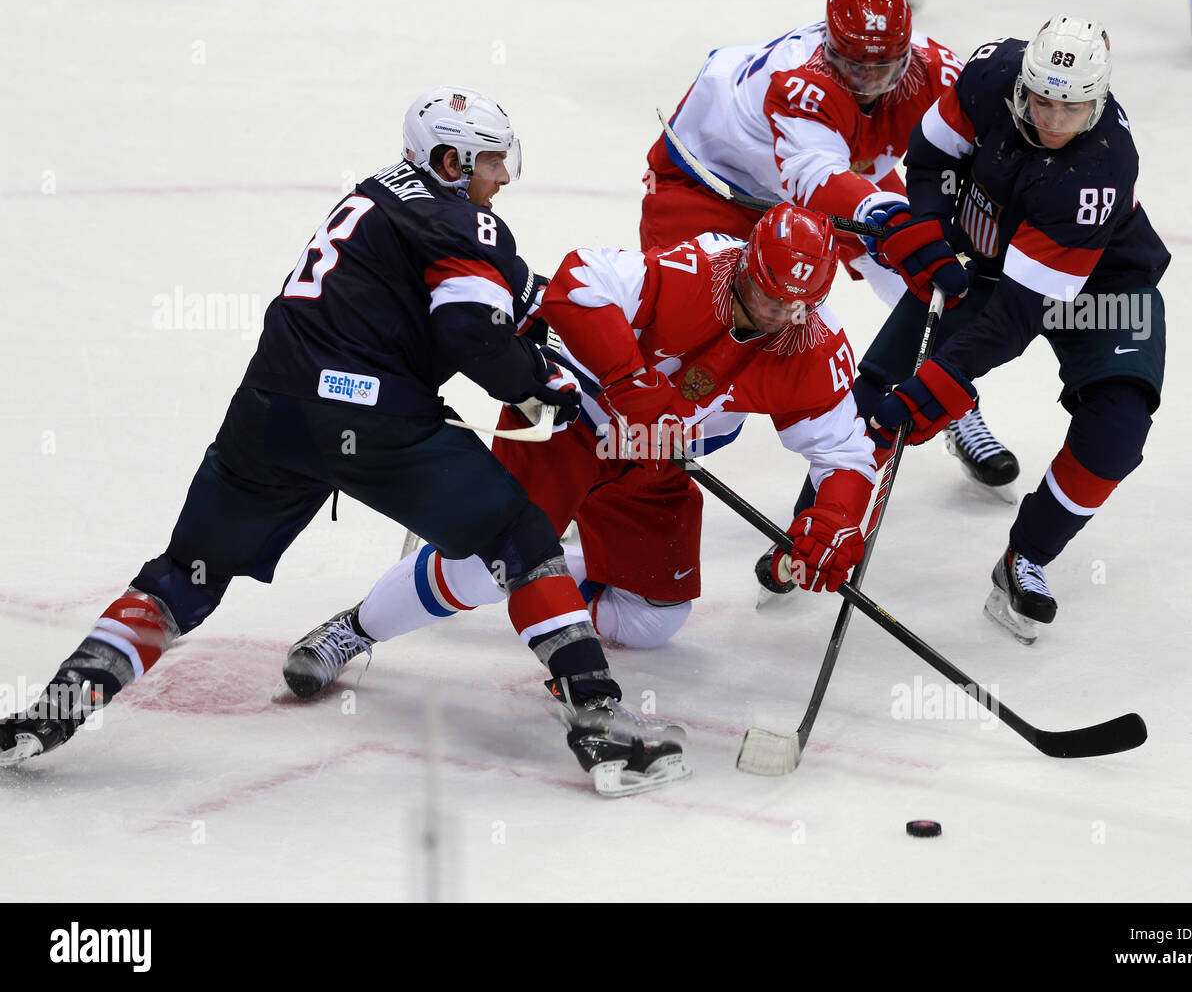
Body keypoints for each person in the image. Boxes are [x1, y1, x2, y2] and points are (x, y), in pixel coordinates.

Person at [0, 86, 690, 797]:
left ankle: (54, 709)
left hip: (270, 413)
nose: (502, 176)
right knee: (520, 539)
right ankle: (601, 728)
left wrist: (545, 339)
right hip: (374, 421)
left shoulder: (375, 201)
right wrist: (540, 385)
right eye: (489, 161)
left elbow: (501, 297)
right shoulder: (460, 222)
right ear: (450, 160)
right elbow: (471, 333)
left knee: (185, 575)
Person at [283, 203, 878, 688]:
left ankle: (532, 568)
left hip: (652, 458)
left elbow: (845, 455)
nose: (780, 314)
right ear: (746, 264)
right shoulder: (693, 271)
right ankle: (356, 628)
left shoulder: (812, 346)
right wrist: (630, 382)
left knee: (652, 619)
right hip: (567, 422)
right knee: (480, 575)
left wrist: (834, 520)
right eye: (769, 294)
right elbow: (576, 282)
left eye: (798, 304)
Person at [836, 16, 1169, 644]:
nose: (1051, 119)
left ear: (1097, 101)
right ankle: (819, 528)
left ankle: (1027, 559)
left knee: (1117, 430)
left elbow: (1018, 315)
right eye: (1042, 99)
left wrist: (946, 378)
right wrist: (930, 227)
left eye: (1070, 109)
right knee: (875, 399)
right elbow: (931, 153)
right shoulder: (990, 75)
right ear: (1024, 81)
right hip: (986, 259)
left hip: (1102, 285)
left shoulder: (1098, 169)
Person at [643, 0, 1021, 524]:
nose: (867, 81)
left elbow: (985, 139)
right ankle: (615, 464)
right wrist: (889, 219)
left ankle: (952, 396)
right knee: (688, 342)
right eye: (851, 65)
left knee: (935, 280)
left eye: (883, 67)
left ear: (908, 49)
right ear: (828, 41)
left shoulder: (938, 71)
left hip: (845, 173)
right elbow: (813, 174)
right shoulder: (800, 80)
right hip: (711, 186)